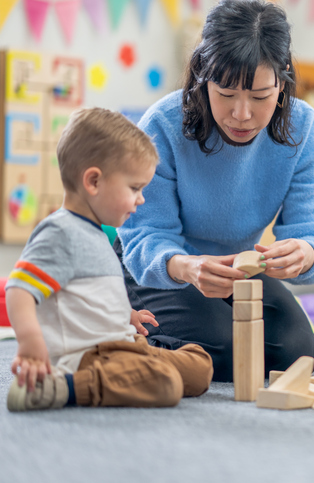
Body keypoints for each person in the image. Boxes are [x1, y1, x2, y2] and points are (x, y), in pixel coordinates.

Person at [116, 0, 314, 382]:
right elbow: (147, 235)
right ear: (203, 74)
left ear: (282, 82)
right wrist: (186, 266)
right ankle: (123, 328)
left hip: (235, 269)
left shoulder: (306, 131)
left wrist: (306, 252)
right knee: (222, 349)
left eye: (260, 96)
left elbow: (312, 233)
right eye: (227, 94)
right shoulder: (163, 125)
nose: (242, 114)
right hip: (163, 268)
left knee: (295, 352)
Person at [6, 108, 213, 411]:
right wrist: (29, 341)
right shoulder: (60, 231)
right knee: (164, 382)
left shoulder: (97, 234)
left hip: (121, 345)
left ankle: (130, 372)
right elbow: (18, 289)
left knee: (200, 364)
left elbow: (88, 294)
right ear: (93, 182)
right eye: (134, 188)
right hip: (88, 356)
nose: (141, 199)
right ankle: (61, 388)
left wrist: (126, 314)